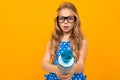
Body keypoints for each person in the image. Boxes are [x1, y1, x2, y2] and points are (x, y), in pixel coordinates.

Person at [41, 2, 88, 80]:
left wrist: (71, 69)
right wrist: (57, 69)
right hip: (55, 77)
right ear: (57, 21)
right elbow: (44, 63)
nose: (65, 22)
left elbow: (81, 65)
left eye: (69, 18)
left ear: (75, 20)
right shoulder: (53, 40)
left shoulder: (81, 40)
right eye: (62, 18)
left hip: (74, 77)